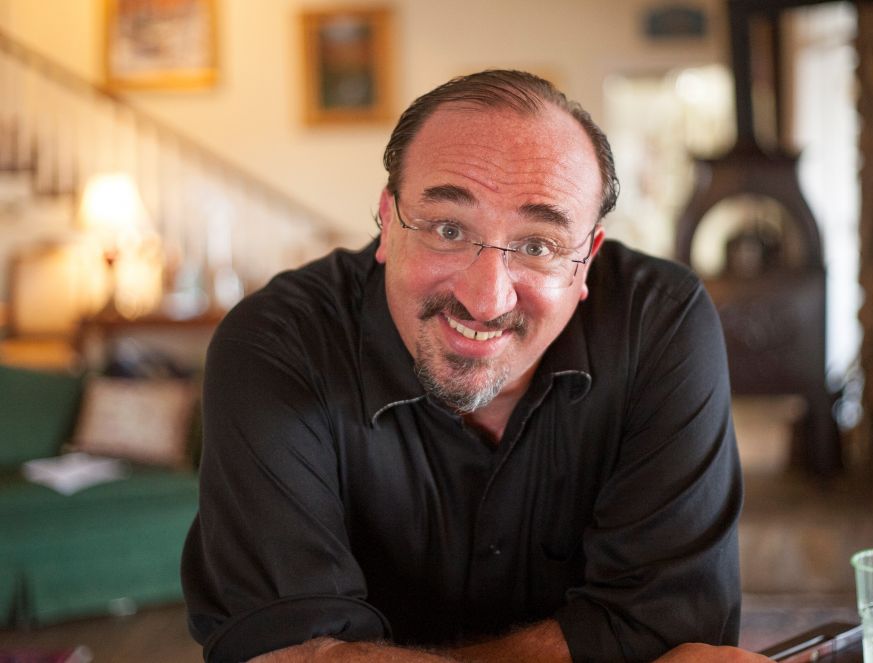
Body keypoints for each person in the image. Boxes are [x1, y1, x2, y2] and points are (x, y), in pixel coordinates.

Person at [181, 70, 770, 663]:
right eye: (448, 230)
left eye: (537, 246)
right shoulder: (278, 343)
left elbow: (670, 623)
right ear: (387, 220)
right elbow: (287, 650)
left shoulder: (658, 321)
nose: (486, 300)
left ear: (586, 260)